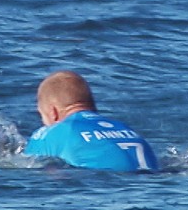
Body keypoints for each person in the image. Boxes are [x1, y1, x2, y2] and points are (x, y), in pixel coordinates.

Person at [24, 70, 159, 172]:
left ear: (53, 112)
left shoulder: (55, 132)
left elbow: (27, 166)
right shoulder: (125, 128)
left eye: (42, 115)